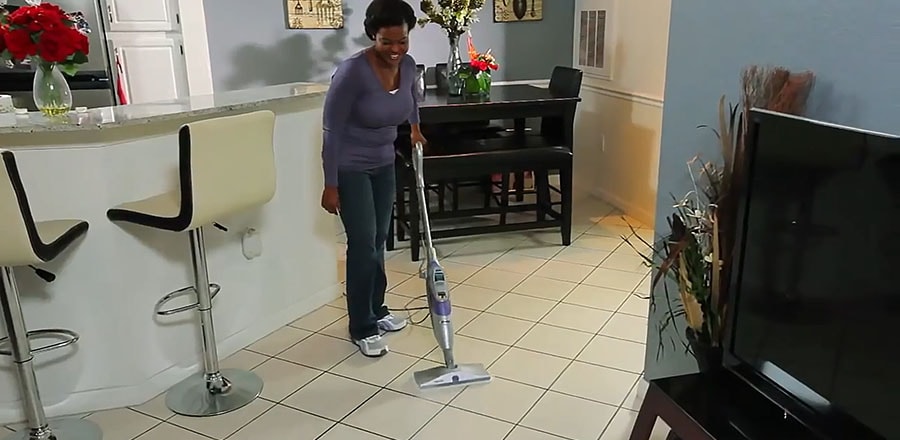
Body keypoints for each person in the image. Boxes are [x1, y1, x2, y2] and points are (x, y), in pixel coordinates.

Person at [320, 0, 427, 357]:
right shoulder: (352, 72)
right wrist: (330, 184)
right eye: (387, 42)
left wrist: (414, 129)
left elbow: (410, 98)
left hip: (384, 164)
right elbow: (331, 130)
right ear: (372, 36)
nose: (396, 50)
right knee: (363, 244)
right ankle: (361, 326)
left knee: (379, 240)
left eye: (402, 41)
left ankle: (377, 310)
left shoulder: (408, 66)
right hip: (350, 168)